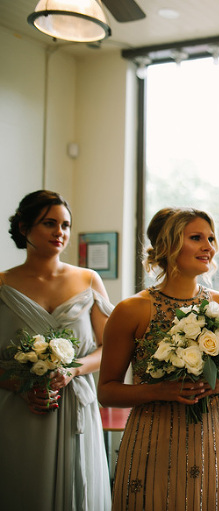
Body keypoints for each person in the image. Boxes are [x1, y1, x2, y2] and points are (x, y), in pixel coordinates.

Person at [99, 207, 219, 510]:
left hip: (209, 439)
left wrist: (216, 384)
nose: (209, 247)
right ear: (167, 245)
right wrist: (160, 391)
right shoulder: (131, 310)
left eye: (211, 238)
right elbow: (107, 390)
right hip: (152, 440)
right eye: (196, 238)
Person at [0, 190, 112, 510]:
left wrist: (73, 369)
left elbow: (108, 348)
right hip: (17, 411)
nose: (60, 233)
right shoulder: (2, 284)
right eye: (50, 223)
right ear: (24, 227)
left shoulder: (88, 280)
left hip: (75, 406)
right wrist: (19, 386)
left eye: (65, 225)